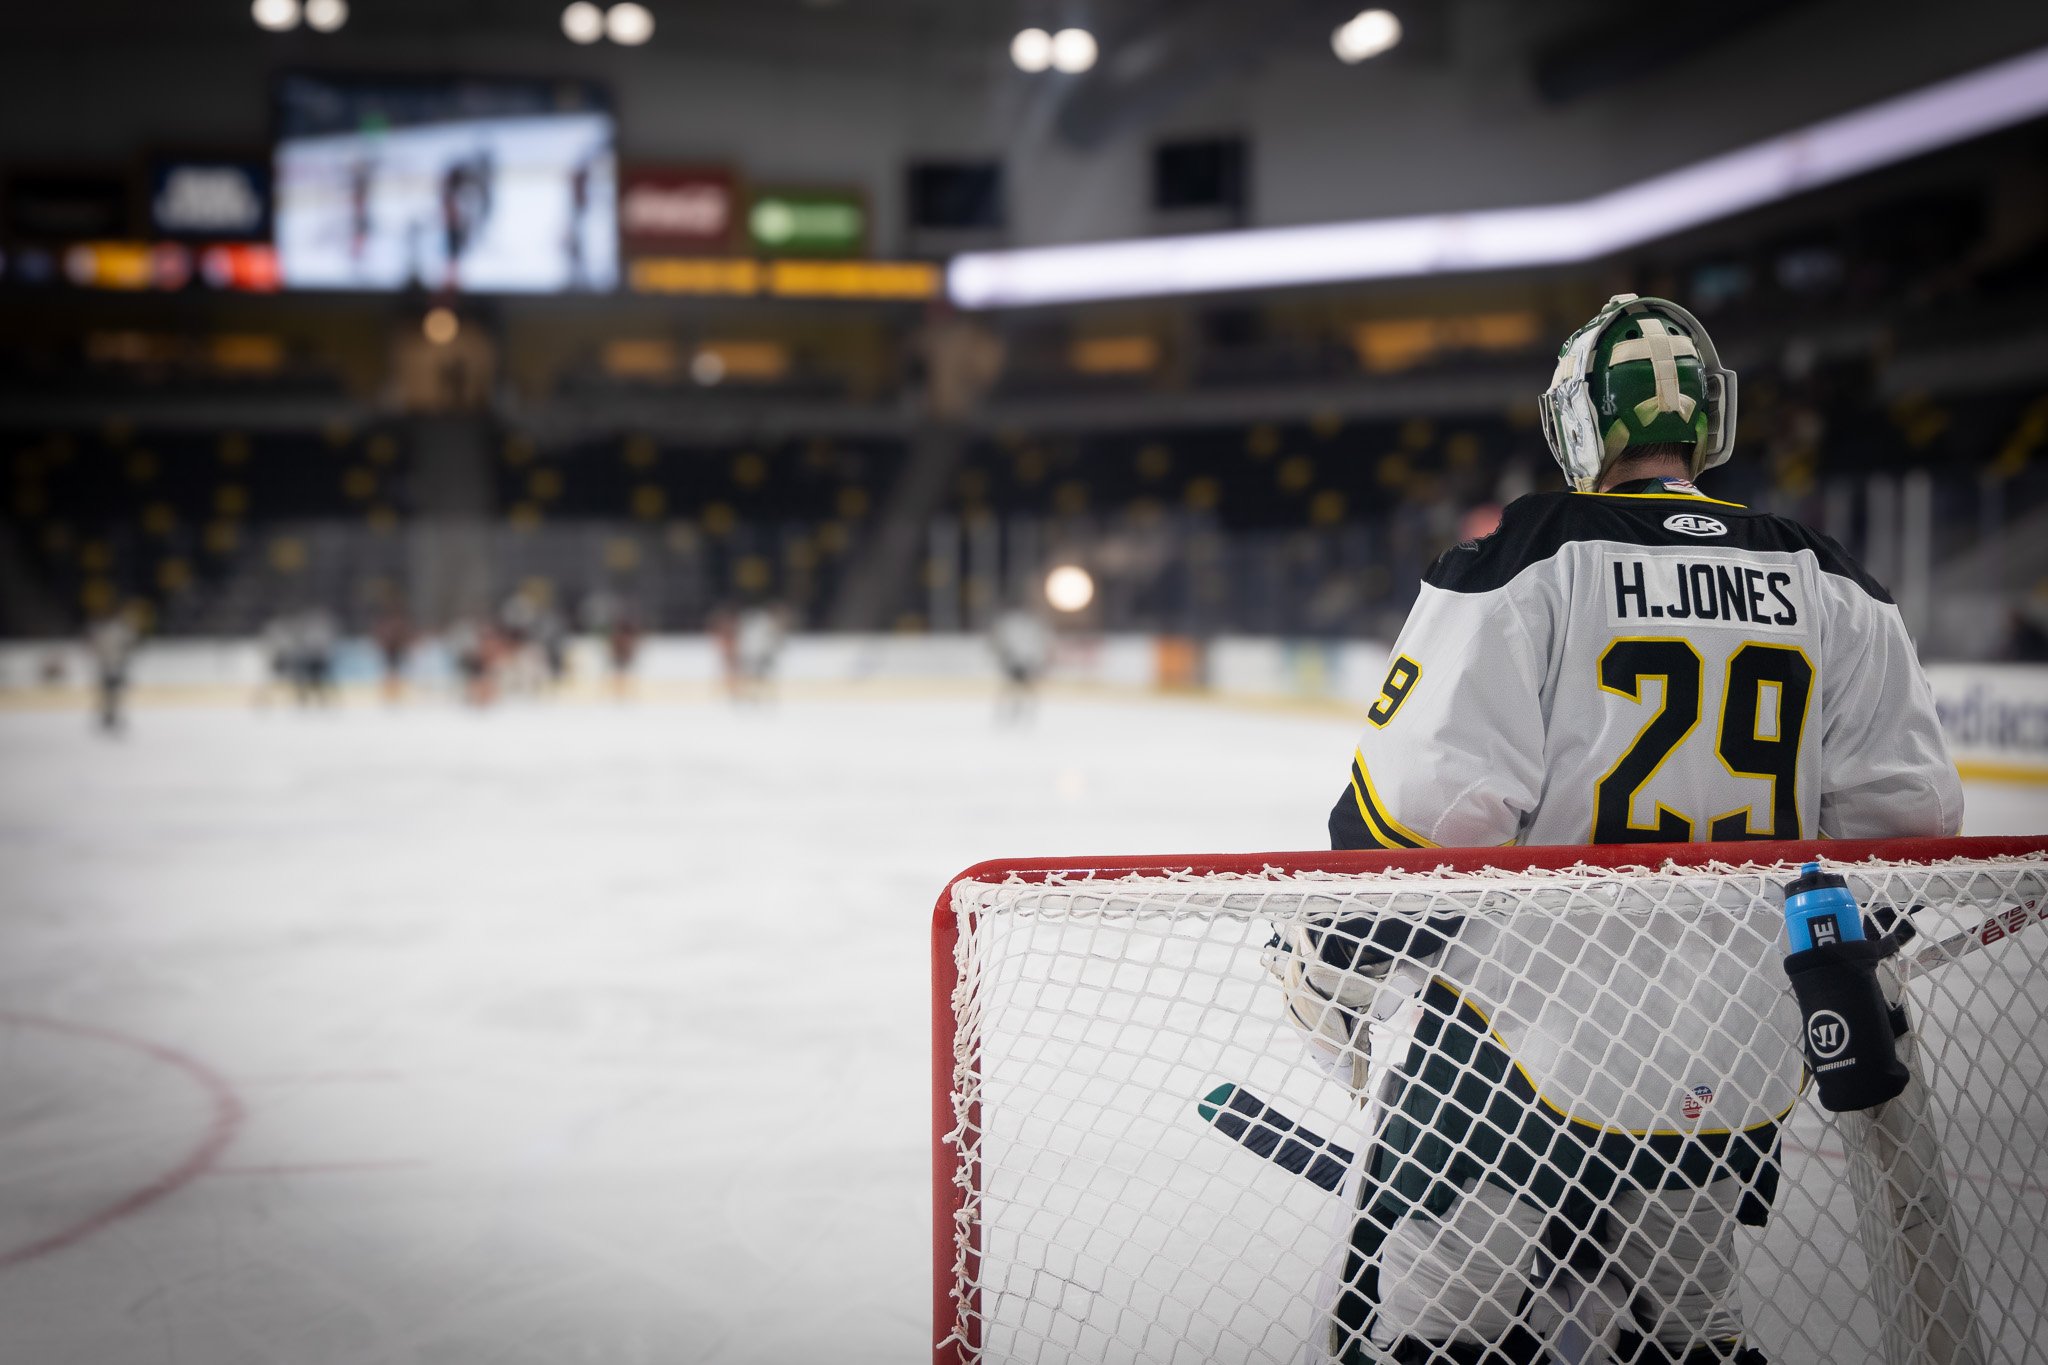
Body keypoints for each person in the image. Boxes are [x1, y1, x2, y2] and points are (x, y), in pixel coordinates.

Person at [1271, 294, 1962, 1365]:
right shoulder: (1826, 575)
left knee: (1441, 1326)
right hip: (1735, 1050)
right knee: (1690, 1330)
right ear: (1708, 420)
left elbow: (1426, 816)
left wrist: (1334, 954)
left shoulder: (1531, 552)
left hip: (1518, 1043)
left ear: (1578, 423)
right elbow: (1907, 823)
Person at [989, 603, 1053, 723]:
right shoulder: (1016, 625)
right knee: (1015, 690)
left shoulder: (1016, 624)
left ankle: (1018, 712)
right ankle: (1012, 712)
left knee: (1020, 690)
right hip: (1017, 664)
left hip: (1021, 664)